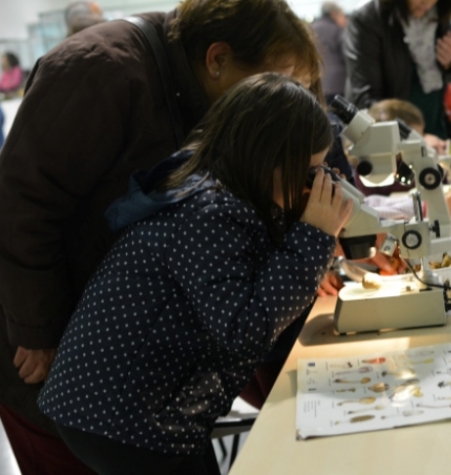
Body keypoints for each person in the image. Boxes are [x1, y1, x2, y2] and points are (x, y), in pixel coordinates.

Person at [0, 1, 321, 474]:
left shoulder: (196, 91)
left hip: (130, 372)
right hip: (53, 358)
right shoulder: (101, 70)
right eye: (273, 81)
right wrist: (37, 330)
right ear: (217, 59)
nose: (276, 99)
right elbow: (20, 204)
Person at [36, 72, 351, 475]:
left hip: (127, 407)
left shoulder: (222, 194)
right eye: (309, 171)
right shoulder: (210, 214)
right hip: (123, 416)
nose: (317, 182)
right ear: (266, 158)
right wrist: (313, 237)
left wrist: (307, 239)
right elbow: (243, 328)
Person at [344, 0, 451, 140]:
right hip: (391, 137)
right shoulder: (367, 18)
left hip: (435, 127)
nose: (426, 3)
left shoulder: (438, 14)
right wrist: (415, 136)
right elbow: (366, 98)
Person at [354, 98, 451, 196]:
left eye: (422, 134)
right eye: (417, 136)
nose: (421, 140)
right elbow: (427, 184)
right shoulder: (384, 169)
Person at [311, 2, 348, 104]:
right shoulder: (337, 30)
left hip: (317, 82)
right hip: (338, 84)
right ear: (334, 14)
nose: (345, 19)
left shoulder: (311, 28)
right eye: (342, 15)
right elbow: (347, 54)